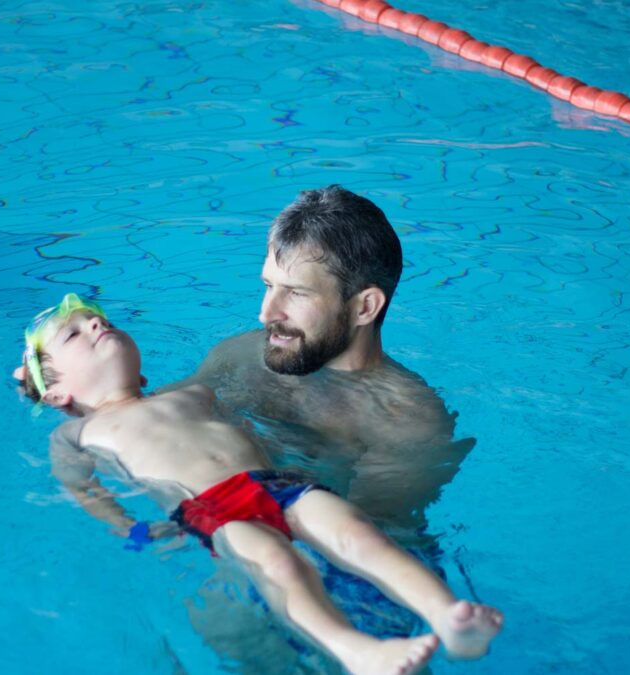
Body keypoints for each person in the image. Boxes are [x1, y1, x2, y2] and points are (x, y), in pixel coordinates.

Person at [13, 293, 503, 675]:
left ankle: (447, 616)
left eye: (102, 321)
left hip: (277, 481)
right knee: (279, 564)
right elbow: (81, 488)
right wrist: (128, 527)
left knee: (357, 533)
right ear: (56, 392)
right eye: (75, 335)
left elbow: (253, 420)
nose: (97, 324)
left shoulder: (192, 391)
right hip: (212, 507)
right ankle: (357, 653)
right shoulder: (74, 432)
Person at [176, 185, 473, 532]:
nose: (265, 313)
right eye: (269, 286)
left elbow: (366, 545)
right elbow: (148, 418)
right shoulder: (241, 356)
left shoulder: (405, 423)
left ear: (365, 307)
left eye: (297, 293)